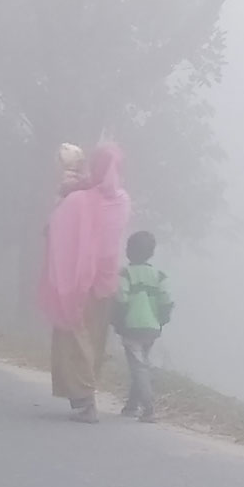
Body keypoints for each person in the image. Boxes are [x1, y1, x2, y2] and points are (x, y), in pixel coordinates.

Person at [38, 142, 132, 423]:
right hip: (106, 283)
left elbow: (54, 228)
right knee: (94, 338)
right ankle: (86, 397)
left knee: (74, 336)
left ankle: (85, 400)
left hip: (78, 282)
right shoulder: (123, 201)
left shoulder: (79, 200)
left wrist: (67, 190)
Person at [114, 231, 174, 423]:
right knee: (140, 364)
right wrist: (161, 321)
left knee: (139, 367)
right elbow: (167, 301)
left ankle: (149, 408)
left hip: (132, 326)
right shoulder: (159, 276)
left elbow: (121, 299)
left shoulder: (125, 274)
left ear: (129, 251)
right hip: (152, 328)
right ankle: (132, 405)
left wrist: (118, 322)